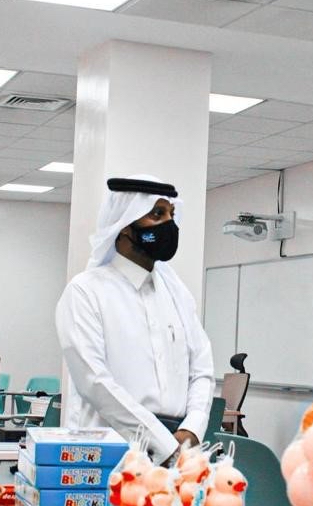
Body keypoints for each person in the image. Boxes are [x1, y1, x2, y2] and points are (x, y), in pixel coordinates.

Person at [56, 175, 215, 463]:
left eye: (171, 214)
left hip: (178, 452)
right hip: (109, 453)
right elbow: (95, 382)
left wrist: (192, 429)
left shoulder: (178, 293)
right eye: (157, 214)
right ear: (125, 226)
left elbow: (202, 370)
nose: (169, 224)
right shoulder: (86, 291)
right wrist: (163, 444)